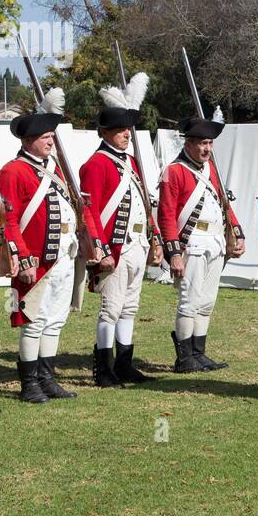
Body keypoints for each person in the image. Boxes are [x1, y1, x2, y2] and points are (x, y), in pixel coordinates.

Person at [0, 91, 105, 403]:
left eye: (51, 136)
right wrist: (23, 255)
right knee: (33, 319)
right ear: (28, 139)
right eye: (45, 137)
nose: (50, 142)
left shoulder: (56, 168)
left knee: (56, 319)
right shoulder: (12, 171)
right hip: (36, 259)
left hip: (64, 257)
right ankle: (29, 383)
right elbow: (9, 219)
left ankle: (47, 377)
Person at [80, 74, 160, 388]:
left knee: (130, 307)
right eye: (119, 130)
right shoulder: (96, 164)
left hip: (137, 245)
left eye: (127, 129)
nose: (126, 134)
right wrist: (99, 251)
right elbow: (90, 212)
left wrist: (153, 239)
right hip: (115, 247)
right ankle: (103, 368)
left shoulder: (131, 163)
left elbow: (145, 203)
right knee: (110, 309)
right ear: (105, 132)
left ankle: (124, 364)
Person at [157, 116, 246, 373]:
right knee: (189, 301)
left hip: (215, 241)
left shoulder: (210, 170)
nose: (208, 149)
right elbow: (167, 215)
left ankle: (199, 353)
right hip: (192, 243)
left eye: (210, 143)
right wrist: (173, 253)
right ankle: (184, 358)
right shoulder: (173, 171)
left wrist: (238, 233)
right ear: (189, 144)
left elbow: (223, 204)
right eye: (202, 143)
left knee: (206, 302)